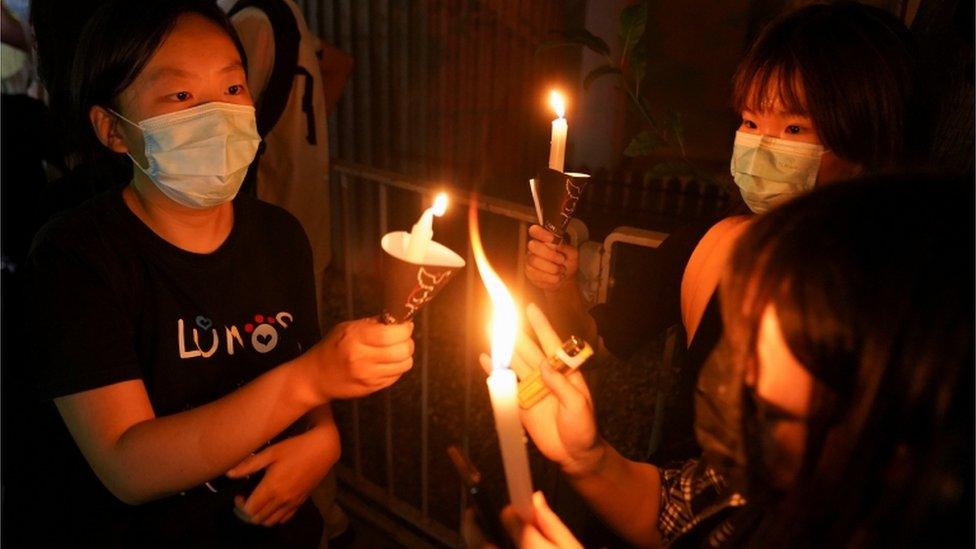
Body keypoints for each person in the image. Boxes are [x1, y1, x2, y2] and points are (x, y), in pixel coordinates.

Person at [23, 1, 413, 546]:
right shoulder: (76, 258)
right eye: (181, 96)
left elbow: (299, 364)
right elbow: (127, 464)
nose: (218, 116)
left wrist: (325, 438)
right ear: (113, 130)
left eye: (233, 90)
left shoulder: (280, 236)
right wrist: (311, 379)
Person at [481, 173, 972, 547]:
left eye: (773, 412)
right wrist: (587, 460)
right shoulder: (757, 469)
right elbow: (677, 511)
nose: (737, 395)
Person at [524, 1, 915, 462]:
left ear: (864, 142)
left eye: (793, 127)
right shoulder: (711, 246)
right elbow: (593, 341)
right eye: (751, 122)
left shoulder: (896, 299)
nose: (762, 148)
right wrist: (562, 284)